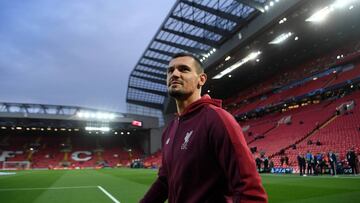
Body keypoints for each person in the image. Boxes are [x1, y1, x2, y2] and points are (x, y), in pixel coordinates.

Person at [140, 53, 267, 203]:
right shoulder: (169, 130)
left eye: (184, 69)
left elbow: (249, 189)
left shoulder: (217, 119)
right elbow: (165, 181)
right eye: (170, 70)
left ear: (201, 79)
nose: (174, 74)